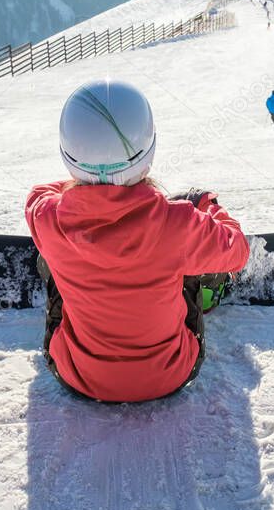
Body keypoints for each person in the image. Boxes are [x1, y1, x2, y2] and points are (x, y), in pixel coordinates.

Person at [26, 79, 250, 403]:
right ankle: (208, 293)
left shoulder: (46, 218)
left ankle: (61, 273)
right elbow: (238, 251)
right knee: (189, 263)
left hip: (77, 376)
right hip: (172, 375)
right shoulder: (181, 224)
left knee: (49, 257)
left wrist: (89, 183)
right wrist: (207, 207)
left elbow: (41, 193)